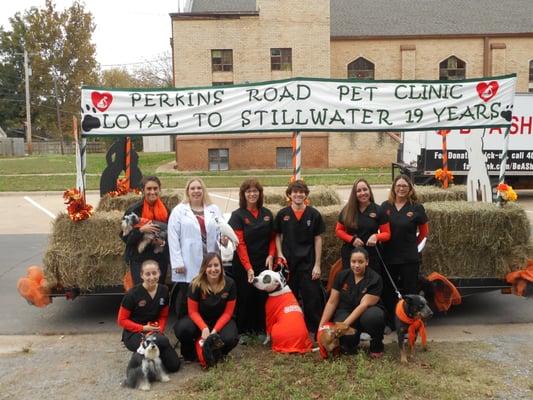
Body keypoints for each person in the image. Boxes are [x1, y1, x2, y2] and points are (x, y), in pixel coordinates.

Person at [274, 180, 326, 335]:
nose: (298, 195)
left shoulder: (314, 214)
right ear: (289, 195)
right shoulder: (283, 214)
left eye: (301, 192)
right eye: (295, 192)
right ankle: (290, 328)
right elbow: (277, 235)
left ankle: (314, 330)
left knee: (312, 298)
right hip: (289, 263)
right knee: (289, 298)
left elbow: (318, 239)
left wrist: (317, 264)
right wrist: (280, 254)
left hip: (308, 262)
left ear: (306, 194)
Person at [168, 178, 223, 317]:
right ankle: (186, 328)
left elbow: (220, 230)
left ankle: (207, 328)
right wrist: (177, 262)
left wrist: (224, 239)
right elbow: (173, 238)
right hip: (188, 262)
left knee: (208, 296)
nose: (196, 191)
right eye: (193, 188)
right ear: (187, 191)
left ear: (203, 190)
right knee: (189, 297)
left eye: (199, 188)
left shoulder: (213, 209)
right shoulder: (179, 211)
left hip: (210, 260)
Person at [228, 179, 275, 337]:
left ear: (260, 193)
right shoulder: (237, 216)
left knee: (262, 295)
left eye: (255, 191)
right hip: (243, 264)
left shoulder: (267, 214)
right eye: (248, 191)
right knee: (245, 296)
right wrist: (248, 268)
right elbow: (239, 244)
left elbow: (273, 238)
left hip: (263, 262)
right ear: (243, 194)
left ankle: (262, 329)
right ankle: (243, 331)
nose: (252, 194)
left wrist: (271, 254)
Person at [319, 247, 386, 357]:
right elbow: (332, 302)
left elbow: (363, 305)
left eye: (360, 262)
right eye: (353, 261)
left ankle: (377, 345)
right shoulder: (342, 275)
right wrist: (321, 327)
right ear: (349, 261)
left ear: (367, 262)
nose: (356, 265)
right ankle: (350, 343)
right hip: (346, 311)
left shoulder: (375, 278)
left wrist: (342, 326)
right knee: (347, 341)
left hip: (367, 312)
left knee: (374, 317)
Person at [173, 252, 239, 364]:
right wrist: (204, 327)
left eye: (216, 265)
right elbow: (192, 312)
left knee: (230, 338)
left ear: (221, 267)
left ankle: (219, 354)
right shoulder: (196, 283)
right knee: (182, 328)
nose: (213, 269)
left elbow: (228, 313)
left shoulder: (230, 283)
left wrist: (214, 331)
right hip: (199, 320)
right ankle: (191, 354)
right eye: (209, 266)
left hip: (220, 320)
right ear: (204, 268)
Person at [117, 259, 180, 372]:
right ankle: (137, 360)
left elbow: (163, 316)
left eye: (154, 273)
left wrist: (159, 329)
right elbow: (121, 320)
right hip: (134, 333)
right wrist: (143, 328)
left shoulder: (164, 291)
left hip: (154, 330)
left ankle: (154, 354)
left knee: (174, 365)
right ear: (141, 275)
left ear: (159, 273)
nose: (151, 277)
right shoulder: (132, 294)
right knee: (154, 345)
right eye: (147, 274)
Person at [380, 174, 429, 321]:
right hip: (389, 256)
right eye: (398, 186)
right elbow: (380, 229)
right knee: (389, 291)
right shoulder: (385, 206)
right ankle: (391, 320)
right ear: (394, 188)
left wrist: (413, 244)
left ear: (410, 189)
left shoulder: (417, 207)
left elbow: (424, 232)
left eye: (404, 186)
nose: (401, 189)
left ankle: (411, 321)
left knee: (411, 291)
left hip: (409, 258)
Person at [120, 176, 169, 285]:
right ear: (143, 190)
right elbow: (125, 237)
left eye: (155, 188)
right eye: (149, 189)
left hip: (159, 259)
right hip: (139, 259)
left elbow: (172, 235)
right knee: (141, 294)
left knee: (157, 293)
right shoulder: (133, 211)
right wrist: (141, 230)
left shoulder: (166, 210)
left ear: (159, 189)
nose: (152, 192)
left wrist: (162, 243)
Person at [335, 178, 390, 275]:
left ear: (369, 190)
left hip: (371, 254)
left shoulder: (379, 210)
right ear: (354, 194)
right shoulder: (347, 210)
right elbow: (339, 231)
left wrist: (376, 236)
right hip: (350, 254)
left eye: (365, 189)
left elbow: (387, 234)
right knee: (351, 283)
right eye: (359, 191)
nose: (362, 193)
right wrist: (351, 239)